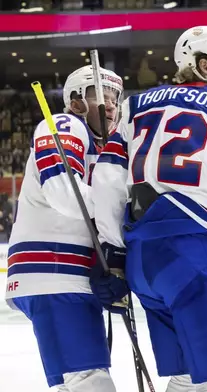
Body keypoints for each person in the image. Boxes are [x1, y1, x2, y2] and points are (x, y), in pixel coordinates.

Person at [90, 26, 207, 392]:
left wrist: (114, 254)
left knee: (187, 377)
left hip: (143, 261)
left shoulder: (132, 106)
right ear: (205, 65)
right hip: (194, 254)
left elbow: (107, 182)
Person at [4, 65, 123, 391]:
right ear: (75, 101)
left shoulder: (105, 148)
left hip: (64, 277)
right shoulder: (65, 124)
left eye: (114, 96)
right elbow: (62, 189)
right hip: (56, 272)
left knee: (69, 385)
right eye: (99, 94)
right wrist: (119, 217)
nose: (110, 104)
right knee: (91, 383)